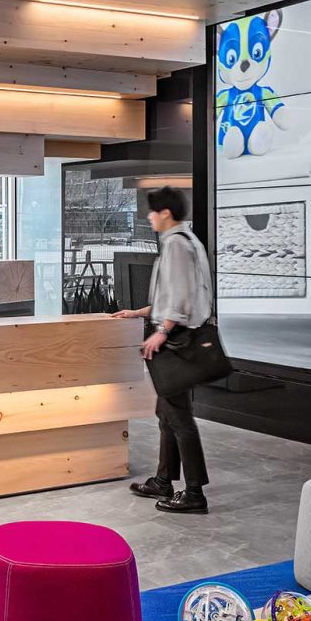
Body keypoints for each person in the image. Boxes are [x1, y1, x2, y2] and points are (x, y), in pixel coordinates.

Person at [113, 185, 214, 515]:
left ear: (166, 213)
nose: (149, 217)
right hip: (180, 334)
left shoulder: (175, 245)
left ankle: (194, 491)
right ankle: (163, 479)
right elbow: (170, 296)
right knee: (167, 413)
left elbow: (181, 298)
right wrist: (139, 313)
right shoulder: (185, 241)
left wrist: (162, 332)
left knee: (179, 416)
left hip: (179, 339)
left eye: (152, 211)